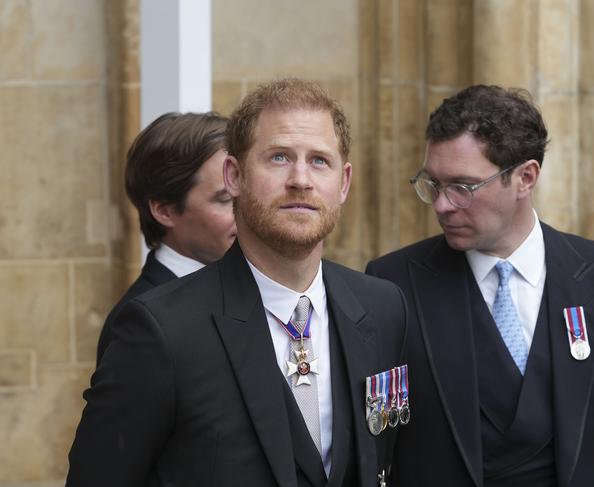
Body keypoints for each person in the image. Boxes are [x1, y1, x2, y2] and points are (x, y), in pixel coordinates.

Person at [67, 79, 407, 487]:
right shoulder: (162, 330)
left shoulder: (383, 307)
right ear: (234, 175)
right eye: (279, 157)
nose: (301, 179)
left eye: (319, 160)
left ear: (344, 184)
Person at [367, 85, 594, 486]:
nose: (443, 205)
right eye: (433, 184)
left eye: (462, 187)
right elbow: (375, 444)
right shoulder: (391, 284)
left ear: (525, 178)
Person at [95, 111, 237, 364]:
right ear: (164, 211)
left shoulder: (246, 286)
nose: (246, 214)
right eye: (225, 200)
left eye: (246, 194)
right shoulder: (139, 325)